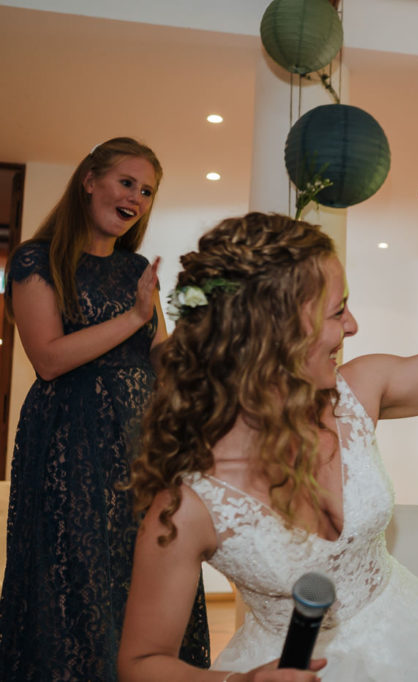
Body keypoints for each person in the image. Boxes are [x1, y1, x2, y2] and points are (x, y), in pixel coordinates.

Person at [117, 152, 418, 682]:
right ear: (274, 333)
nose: (353, 326)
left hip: (413, 642)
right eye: (336, 311)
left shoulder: (360, 391)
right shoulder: (187, 505)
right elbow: (141, 664)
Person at [0, 137, 210, 680]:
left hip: (141, 444)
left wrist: (203, 335)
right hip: (69, 443)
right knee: (75, 577)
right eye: (127, 182)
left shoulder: (136, 267)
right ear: (89, 180)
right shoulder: (35, 258)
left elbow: (160, 355)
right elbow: (47, 358)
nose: (136, 197)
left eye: (146, 191)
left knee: (142, 570)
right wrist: (134, 316)